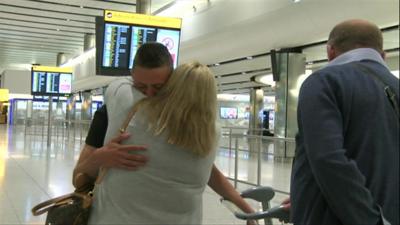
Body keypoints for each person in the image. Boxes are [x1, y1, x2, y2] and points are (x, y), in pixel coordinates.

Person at [73, 42, 256, 223]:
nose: (149, 94)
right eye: (141, 87)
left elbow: (204, 167)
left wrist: (241, 204)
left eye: (159, 87)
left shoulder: (123, 99)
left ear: (173, 83)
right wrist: (98, 157)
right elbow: (78, 177)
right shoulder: (211, 131)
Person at [290, 19, 399, 225]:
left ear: (330, 51)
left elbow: (328, 158)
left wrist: (371, 219)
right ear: (383, 55)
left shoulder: (323, 82)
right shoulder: (395, 85)